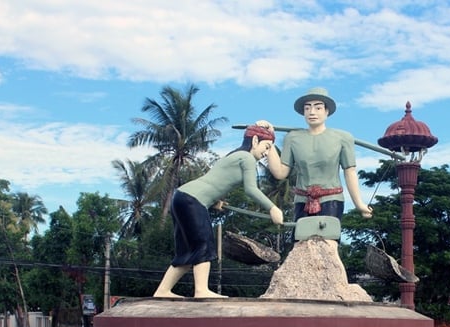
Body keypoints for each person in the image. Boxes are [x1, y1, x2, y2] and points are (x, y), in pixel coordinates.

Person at [153, 125, 283, 298]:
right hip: (193, 200)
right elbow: (251, 189)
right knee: (204, 244)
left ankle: (162, 291)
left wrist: (215, 200)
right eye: (266, 147)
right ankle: (201, 291)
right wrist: (272, 208)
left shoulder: (234, 156)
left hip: (183, 197)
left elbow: (216, 180)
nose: (267, 153)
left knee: (186, 251)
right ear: (255, 141)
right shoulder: (247, 158)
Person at [261, 87, 373, 224]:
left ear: (327, 111)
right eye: (307, 108)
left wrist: (359, 204)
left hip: (331, 201)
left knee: (327, 240)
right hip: (302, 201)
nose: (312, 112)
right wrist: (269, 139)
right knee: (300, 240)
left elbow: (350, 172)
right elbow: (280, 173)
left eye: (318, 108)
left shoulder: (343, 138)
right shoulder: (292, 138)